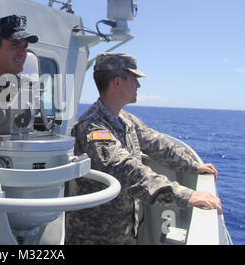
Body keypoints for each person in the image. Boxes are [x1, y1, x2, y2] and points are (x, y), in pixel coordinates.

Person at [65, 52, 221, 245]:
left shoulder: (125, 119)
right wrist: (184, 195)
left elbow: (157, 143)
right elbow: (126, 171)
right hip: (94, 236)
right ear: (117, 82)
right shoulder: (93, 126)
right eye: (134, 79)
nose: (138, 85)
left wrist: (193, 166)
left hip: (124, 232)